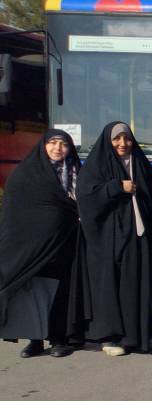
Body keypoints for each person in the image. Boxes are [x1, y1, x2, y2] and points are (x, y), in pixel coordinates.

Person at [77, 121, 152, 356]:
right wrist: (115, 187)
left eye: (127, 138)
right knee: (113, 287)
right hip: (110, 240)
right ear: (108, 141)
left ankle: (138, 338)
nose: (123, 143)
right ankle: (112, 338)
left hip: (139, 237)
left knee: (137, 286)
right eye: (117, 139)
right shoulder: (97, 166)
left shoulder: (141, 165)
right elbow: (86, 197)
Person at [0, 129, 82, 358]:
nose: (58, 148)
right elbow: (13, 212)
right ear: (43, 146)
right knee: (34, 292)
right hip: (32, 248)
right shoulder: (25, 174)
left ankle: (59, 339)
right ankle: (34, 340)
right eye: (52, 143)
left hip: (65, 244)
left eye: (63, 144)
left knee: (60, 293)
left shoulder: (77, 172)